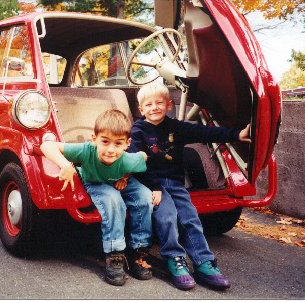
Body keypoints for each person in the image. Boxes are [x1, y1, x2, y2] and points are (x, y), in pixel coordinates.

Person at [127, 82, 251, 291]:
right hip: (152, 185)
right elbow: (135, 163)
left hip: (175, 184)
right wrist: (153, 187)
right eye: (148, 104)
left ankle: (204, 263)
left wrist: (236, 134)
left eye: (159, 103)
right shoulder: (138, 131)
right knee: (166, 217)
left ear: (169, 105)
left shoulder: (176, 127)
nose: (154, 107)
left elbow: (205, 133)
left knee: (189, 217)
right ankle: (175, 259)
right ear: (141, 109)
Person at [40, 109, 154, 286]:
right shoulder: (86, 151)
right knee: (113, 199)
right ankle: (114, 254)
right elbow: (47, 146)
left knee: (145, 196)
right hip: (95, 181)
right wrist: (65, 165)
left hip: (119, 178)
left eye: (118, 144)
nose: (110, 149)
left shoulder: (128, 159)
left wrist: (125, 177)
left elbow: (143, 157)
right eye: (105, 142)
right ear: (94, 139)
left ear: (127, 144)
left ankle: (139, 250)